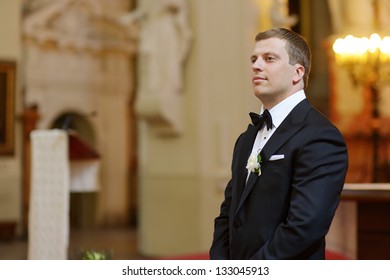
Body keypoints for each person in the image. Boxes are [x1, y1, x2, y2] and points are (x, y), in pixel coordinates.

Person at [210, 28, 348, 260]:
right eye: (254, 59)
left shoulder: (320, 136)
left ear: (297, 73)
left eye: (269, 58)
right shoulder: (247, 138)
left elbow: (305, 226)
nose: (256, 65)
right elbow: (228, 213)